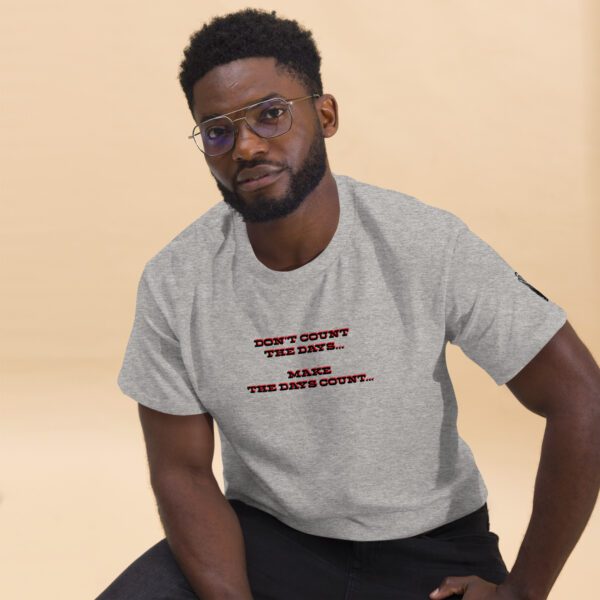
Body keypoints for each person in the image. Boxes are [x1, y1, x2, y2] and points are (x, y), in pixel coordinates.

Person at [97, 8, 600, 600]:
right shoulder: (175, 281)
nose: (247, 146)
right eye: (218, 131)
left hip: (430, 548)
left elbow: (581, 399)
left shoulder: (423, 243)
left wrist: (523, 593)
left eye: (271, 114)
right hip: (268, 541)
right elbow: (180, 469)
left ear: (325, 114)